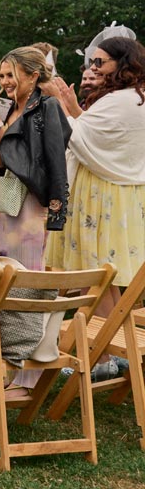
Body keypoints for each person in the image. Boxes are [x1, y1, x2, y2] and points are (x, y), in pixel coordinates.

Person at [0, 46, 72, 395]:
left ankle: (29, 377)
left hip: (33, 204)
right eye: (2, 75)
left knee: (31, 285)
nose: (5, 81)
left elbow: (56, 156)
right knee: (11, 282)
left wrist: (56, 209)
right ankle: (14, 362)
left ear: (33, 76)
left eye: (12, 75)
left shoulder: (46, 108)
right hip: (9, 198)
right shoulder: (10, 110)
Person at [45, 36, 145, 332]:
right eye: (92, 62)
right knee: (105, 279)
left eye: (100, 62)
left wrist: (58, 105)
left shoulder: (118, 101)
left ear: (122, 64)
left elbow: (78, 137)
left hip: (101, 195)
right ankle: (112, 348)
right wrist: (74, 107)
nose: (95, 67)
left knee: (95, 275)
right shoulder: (136, 96)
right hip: (123, 192)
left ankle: (105, 352)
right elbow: (93, 131)